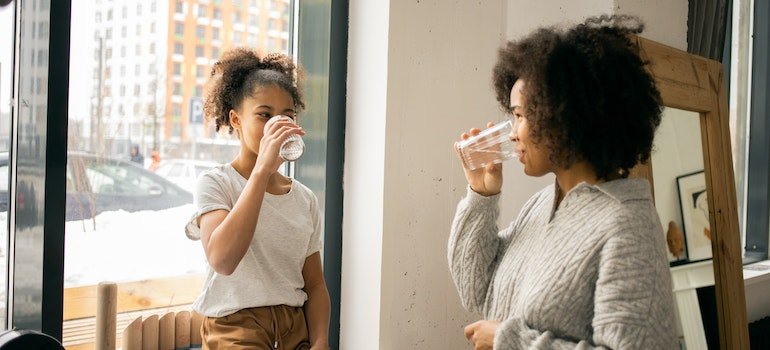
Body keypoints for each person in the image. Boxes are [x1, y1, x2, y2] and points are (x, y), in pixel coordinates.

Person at [448, 15, 677, 349]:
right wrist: (481, 195)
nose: (512, 133)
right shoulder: (543, 204)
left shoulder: (627, 226)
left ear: (565, 116)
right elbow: (475, 289)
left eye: (521, 115)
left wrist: (510, 341)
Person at [184, 48, 330, 350]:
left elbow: (315, 285)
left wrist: (320, 342)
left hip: (294, 326)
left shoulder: (304, 198)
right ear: (236, 120)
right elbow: (223, 260)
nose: (277, 125)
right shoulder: (216, 183)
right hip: (235, 327)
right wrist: (262, 170)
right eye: (264, 115)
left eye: (287, 115)